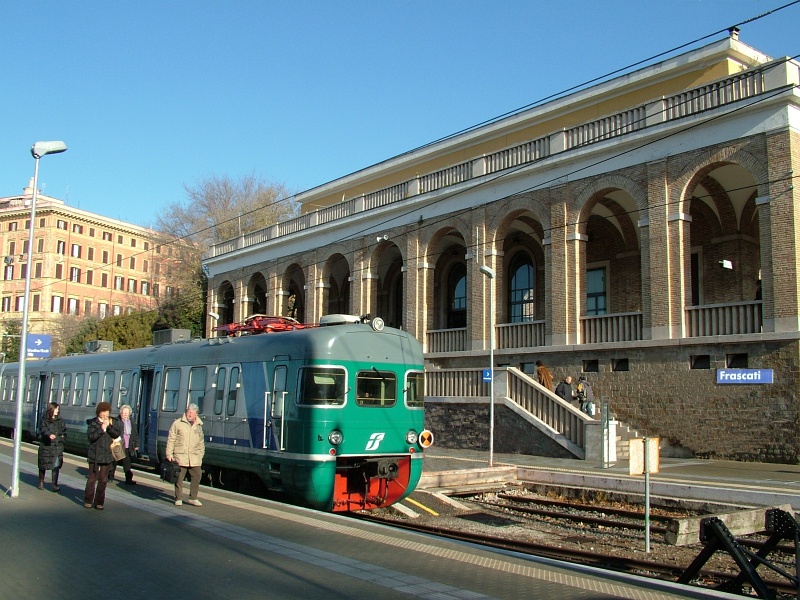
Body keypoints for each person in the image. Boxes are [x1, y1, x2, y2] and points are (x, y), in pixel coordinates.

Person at [166, 403, 205, 507]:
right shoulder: (177, 423)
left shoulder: (199, 425)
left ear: (196, 413)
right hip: (180, 456)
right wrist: (169, 454)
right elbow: (171, 439)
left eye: (192, 413)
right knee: (179, 478)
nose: (190, 414)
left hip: (194, 457)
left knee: (197, 476)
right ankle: (179, 498)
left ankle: (193, 498)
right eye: (188, 412)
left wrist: (201, 454)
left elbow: (201, 441)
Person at [84, 401, 121, 510]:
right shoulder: (93, 423)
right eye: (104, 413)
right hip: (94, 455)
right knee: (92, 479)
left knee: (103, 480)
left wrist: (109, 427)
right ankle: (88, 500)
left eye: (107, 413)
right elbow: (91, 437)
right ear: (99, 413)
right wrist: (101, 428)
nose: (106, 415)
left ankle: (99, 502)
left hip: (106, 454)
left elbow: (116, 434)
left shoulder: (111, 422)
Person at [38, 402, 66, 492]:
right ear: (52, 409)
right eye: (56, 409)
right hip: (47, 446)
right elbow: (43, 429)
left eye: (58, 409)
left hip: (57, 446)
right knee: (43, 465)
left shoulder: (60, 420)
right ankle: (41, 482)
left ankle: (54, 485)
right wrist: (49, 434)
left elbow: (64, 431)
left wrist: (63, 438)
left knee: (56, 465)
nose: (58, 410)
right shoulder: (45, 419)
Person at [109, 404, 139, 485]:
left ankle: (128, 479)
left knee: (127, 463)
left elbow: (135, 433)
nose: (124, 414)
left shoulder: (132, 421)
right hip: (118, 444)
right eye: (123, 412)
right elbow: (113, 432)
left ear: (129, 413)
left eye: (126, 412)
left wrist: (136, 444)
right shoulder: (116, 420)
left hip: (128, 445)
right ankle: (110, 476)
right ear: (120, 413)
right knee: (114, 461)